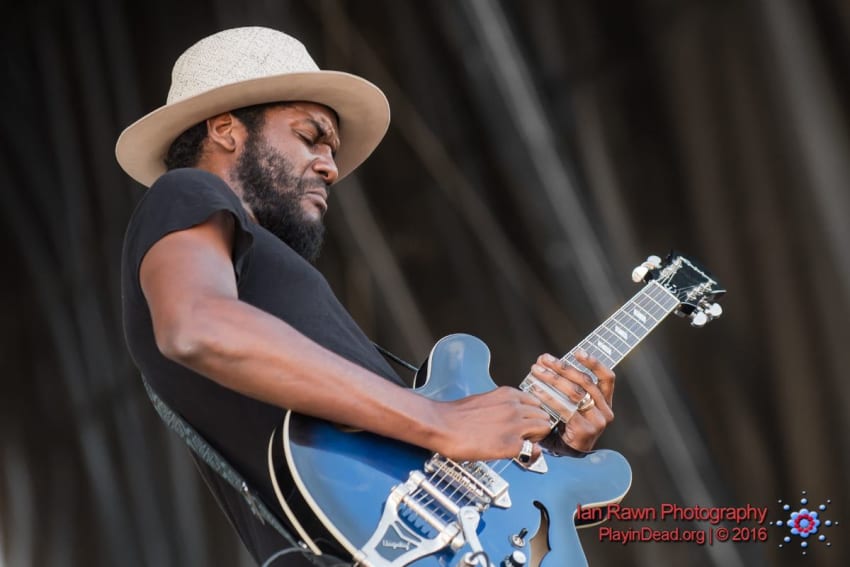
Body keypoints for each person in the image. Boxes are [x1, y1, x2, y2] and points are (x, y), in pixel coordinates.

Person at [117, 27, 615, 566]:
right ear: (225, 129)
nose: (331, 166)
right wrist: (441, 421)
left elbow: (443, 492)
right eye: (311, 136)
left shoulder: (273, 292)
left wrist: (551, 456)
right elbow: (198, 325)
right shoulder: (186, 192)